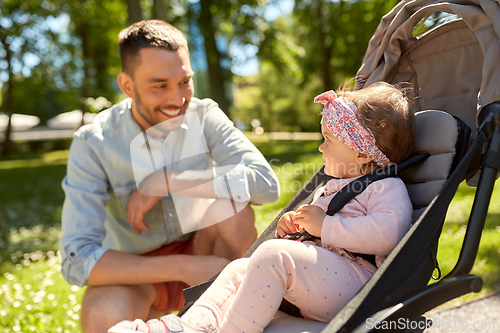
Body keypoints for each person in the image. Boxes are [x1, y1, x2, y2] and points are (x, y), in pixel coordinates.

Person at [107, 82, 416, 333]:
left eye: (328, 140)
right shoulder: (335, 186)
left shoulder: (386, 186)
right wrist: (296, 229)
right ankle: (188, 326)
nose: (321, 147)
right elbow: (317, 235)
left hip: (357, 285)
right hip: (324, 285)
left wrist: (325, 227)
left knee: (271, 256)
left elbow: (389, 233)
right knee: (242, 267)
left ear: (362, 154)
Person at [58, 19, 280, 333]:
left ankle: (226, 319)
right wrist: (185, 266)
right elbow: (77, 258)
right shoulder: (93, 143)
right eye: (160, 85)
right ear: (127, 86)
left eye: (185, 82)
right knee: (102, 316)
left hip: (207, 251)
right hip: (137, 273)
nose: (178, 99)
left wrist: (169, 180)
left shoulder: (205, 115)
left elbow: (266, 185)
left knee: (234, 211)